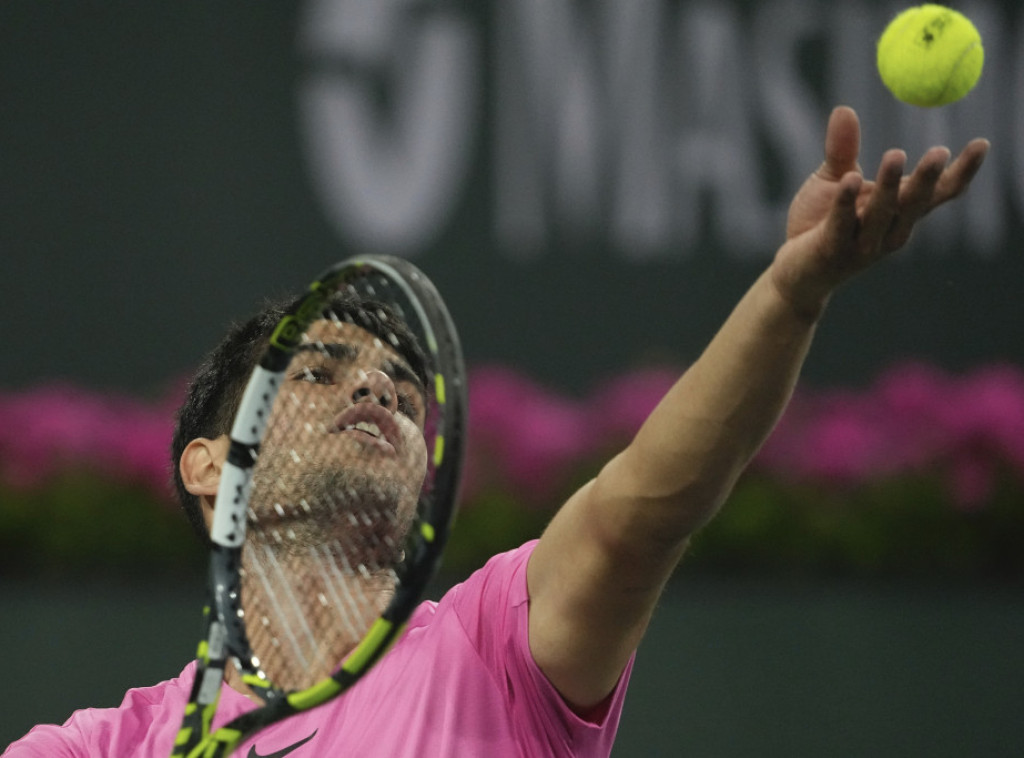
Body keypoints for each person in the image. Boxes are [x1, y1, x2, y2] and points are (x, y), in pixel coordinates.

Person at [3, 105, 989, 757]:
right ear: (212, 468)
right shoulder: (104, 746)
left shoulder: (492, 649)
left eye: (404, 389)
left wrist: (791, 294)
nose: (378, 391)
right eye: (317, 370)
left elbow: (639, 514)